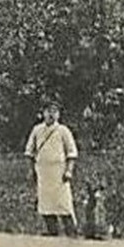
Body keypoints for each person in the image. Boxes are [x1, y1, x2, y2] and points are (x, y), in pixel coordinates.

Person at [25, 98, 79, 236]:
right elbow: (30, 152)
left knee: (64, 203)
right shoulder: (37, 130)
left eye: (55, 111)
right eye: (48, 111)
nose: (51, 114)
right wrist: (31, 170)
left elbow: (72, 153)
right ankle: (52, 233)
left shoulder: (63, 131)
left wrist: (68, 171)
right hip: (43, 172)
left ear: (58, 114)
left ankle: (71, 233)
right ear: (43, 113)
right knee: (46, 203)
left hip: (59, 172)